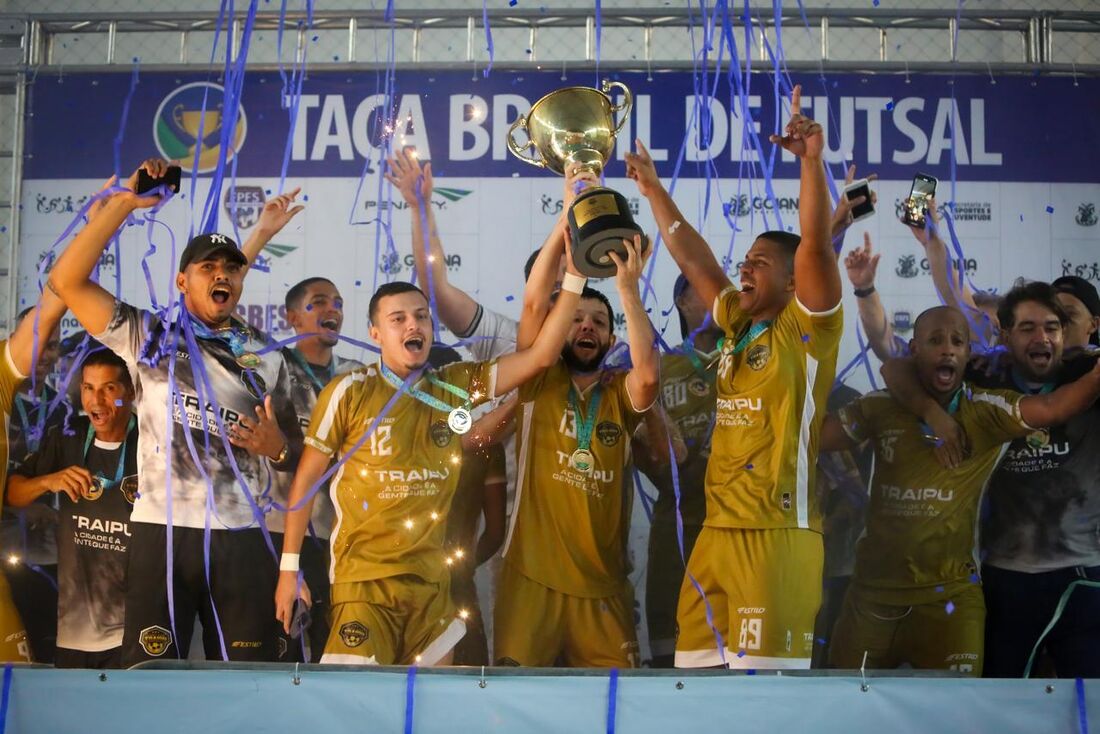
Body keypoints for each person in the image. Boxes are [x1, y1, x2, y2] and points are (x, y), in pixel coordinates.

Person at [46, 159, 305, 664]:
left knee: (249, 679)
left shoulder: (269, 355)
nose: (222, 275)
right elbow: (67, 281)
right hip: (161, 533)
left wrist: (277, 451)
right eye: (208, 268)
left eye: (230, 268)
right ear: (182, 282)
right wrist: (125, 205)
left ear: (242, 280)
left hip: (240, 537)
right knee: (149, 677)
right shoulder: (150, 337)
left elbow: (297, 458)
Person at [625, 85, 841, 669]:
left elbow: (816, 246)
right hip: (715, 533)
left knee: (765, 701)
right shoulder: (734, 324)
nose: (744, 268)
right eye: (744, 260)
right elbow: (695, 260)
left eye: (760, 263)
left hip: (777, 538)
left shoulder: (808, 329)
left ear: (795, 280)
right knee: (692, 683)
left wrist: (811, 165)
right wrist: (653, 191)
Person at [274, 265, 588, 665]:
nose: (413, 324)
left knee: (429, 712)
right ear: (376, 333)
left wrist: (576, 278)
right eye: (398, 318)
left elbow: (542, 356)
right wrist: (289, 571)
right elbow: (304, 482)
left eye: (421, 315)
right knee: (356, 710)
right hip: (365, 586)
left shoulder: (454, 386)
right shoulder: (349, 392)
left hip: (434, 590)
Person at [821, 306, 1100, 675]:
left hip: (951, 601)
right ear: (914, 349)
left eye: (957, 342)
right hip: (872, 596)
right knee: (846, 708)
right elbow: (816, 438)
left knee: (961, 713)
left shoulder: (986, 409)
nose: (948, 351)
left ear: (970, 353)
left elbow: (1052, 407)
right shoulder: (880, 405)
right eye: (935, 342)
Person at [493, 230, 657, 668]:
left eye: (599, 323)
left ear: (609, 340)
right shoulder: (538, 377)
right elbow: (532, 306)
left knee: (615, 707)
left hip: (602, 587)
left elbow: (650, 377)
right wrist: (568, 236)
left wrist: (628, 290)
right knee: (512, 705)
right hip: (531, 579)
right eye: (576, 319)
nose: (586, 326)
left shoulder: (620, 394)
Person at [7, 347, 137, 668]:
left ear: (129, 393)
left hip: (135, 625)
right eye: (88, 388)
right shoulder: (68, 437)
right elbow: (12, 493)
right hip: (75, 628)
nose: (97, 401)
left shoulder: (152, 444)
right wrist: (48, 481)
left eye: (109, 389)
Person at [262, 276, 363, 662]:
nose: (331, 309)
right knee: (282, 654)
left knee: (330, 653)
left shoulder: (357, 376)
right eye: (319, 302)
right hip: (277, 536)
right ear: (292, 317)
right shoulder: (272, 371)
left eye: (337, 302)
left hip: (340, 539)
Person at [632, 274, 720, 667]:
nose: (721, 296)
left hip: (733, 522)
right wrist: (667, 475)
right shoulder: (662, 369)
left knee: (730, 651)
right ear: (682, 303)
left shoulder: (747, 360)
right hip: (677, 521)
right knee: (669, 650)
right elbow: (641, 446)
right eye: (707, 288)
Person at [1, 307, 64, 663]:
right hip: (5, 544)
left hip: (46, 552)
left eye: (53, 346)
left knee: (44, 651)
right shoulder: (2, 394)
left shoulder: (63, 407)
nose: (45, 354)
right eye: (39, 342)